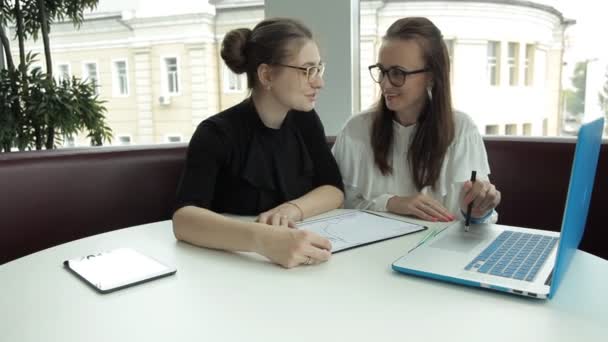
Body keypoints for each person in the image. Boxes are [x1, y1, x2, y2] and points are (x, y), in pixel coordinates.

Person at [173, 18, 344, 268]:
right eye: (307, 70)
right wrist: (264, 240)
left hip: (300, 264)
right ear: (266, 75)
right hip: (230, 268)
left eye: (319, 69)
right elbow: (183, 219)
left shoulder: (305, 120)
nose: (319, 82)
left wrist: (291, 209)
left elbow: (333, 189)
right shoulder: (216, 133)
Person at [332, 17, 500, 223]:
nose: (385, 83)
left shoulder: (462, 129)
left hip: (439, 253)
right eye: (382, 71)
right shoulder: (355, 129)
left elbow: (473, 222)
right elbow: (337, 206)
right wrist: (392, 203)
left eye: (397, 73)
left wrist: (476, 212)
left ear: (431, 76)